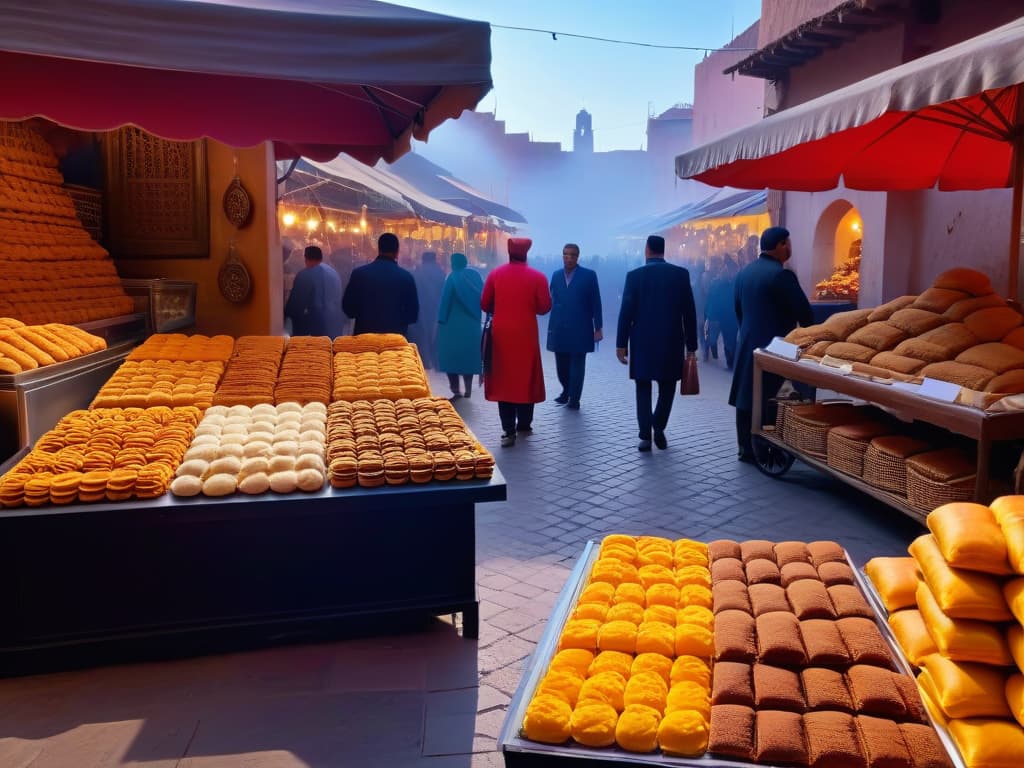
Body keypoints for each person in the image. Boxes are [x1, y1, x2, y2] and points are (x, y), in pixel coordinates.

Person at [730, 226, 814, 463]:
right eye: (788, 243)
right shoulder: (782, 275)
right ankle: (769, 446)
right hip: (777, 346)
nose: (790, 248)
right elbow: (804, 313)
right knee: (773, 397)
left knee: (747, 394)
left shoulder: (744, 273)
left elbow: (738, 310)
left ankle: (745, 447)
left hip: (747, 342)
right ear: (779, 245)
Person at [616, 235, 698, 452]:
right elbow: (689, 313)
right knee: (668, 387)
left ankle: (645, 435)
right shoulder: (680, 275)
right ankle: (658, 425)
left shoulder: (634, 276)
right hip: (671, 340)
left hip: (642, 340)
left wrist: (621, 343)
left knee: (643, 386)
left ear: (646, 250)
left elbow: (626, 312)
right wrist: (692, 346)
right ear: (663, 250)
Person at [481, 237, 552, 447]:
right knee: (525, 375)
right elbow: (544, 307)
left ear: (509, 252)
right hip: (526, 334)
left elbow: (485, 303)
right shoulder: (538, 277)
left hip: (501, 334)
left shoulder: (495, 275)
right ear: (526, 253)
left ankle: (508, 429)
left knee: (504, 379)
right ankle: (524, 423)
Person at [546, 243, 603, 410]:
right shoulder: (556, 276)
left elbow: (596, 302)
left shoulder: (589, 275)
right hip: (560, 326)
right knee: (561, 364)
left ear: (578, 257)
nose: (568, 258)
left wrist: (598, 327)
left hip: (581, 326)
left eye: (572, 255)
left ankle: (574, 399)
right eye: (565, 254)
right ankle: (566, 390)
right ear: (562, 256)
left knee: (577, 363)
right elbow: (551, 298)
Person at [342, 232, 419, 336]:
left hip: (364, 338)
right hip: (394, 341)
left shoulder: (359, 273)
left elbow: (348, 309)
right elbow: (412, 315)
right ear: (397, 252)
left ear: (378, 249)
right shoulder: (406, 277)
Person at [437, 252, 483, 399]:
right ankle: (468, 389)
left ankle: (456, 390)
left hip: (453, 324)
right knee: (468, 357)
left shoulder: (452, 277)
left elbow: (445, 300)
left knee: (452, 358)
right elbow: (484, 296)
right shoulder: (476, 276)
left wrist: (441, 319)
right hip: (472, 323)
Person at [283, 245, 345, 338]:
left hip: (316, 329)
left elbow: (296, 306)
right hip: (335, 325)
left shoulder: (305, 275)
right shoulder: (333, 272)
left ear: (305, 258)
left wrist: (284, 314)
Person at [409, 251, 446, 369]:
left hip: (421, 305)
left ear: (423, 259)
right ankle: (435, 361)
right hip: (436, 306)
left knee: (422, 332)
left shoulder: (418, 272)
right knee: (435, 333)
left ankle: (425, 361)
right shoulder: (440, 272)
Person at [705, 256, 739, 369]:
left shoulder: (733, 282)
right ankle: (729, 360)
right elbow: (713, 299)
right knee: (727, 339)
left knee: (730, 339)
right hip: (725, 316)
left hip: (730, 316)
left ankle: (730, 360)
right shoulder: (719, 284)